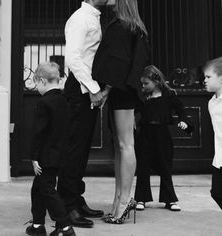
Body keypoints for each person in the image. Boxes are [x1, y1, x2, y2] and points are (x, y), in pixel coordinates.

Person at [92, 0, 151, 224]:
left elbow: (117, 61)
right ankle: (119, 199)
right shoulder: (132, 26)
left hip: (122, 90)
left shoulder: (123, 26)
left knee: (125, 145)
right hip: (124, 90)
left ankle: (125, 201)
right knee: (121, 145)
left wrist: (105, 89)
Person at [57, 0, 108, 228]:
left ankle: (76, 199)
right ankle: (67, 208)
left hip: (86, 91)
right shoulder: (80, 18)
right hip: (80, 92)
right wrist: (94, 89)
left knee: (82, 150)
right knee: (74, 151)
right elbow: (73, 59)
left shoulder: (93, 16)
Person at [134, 65, 194, 212]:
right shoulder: (142, 97)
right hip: (145, 134)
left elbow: (181, 110)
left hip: (162, 134)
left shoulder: (168, 95)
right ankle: (141, 198)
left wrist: (185, 121)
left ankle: (170, 200)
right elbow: (133, 112)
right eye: (142, 83)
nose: (143, 86)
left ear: (156, 81)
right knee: (143, 166)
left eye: (146, 83)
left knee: (165, 166)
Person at [25, 62, 76, 236]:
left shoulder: (44, 103)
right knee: (38, 188)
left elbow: (39, 133)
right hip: (60, 154)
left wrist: (34, 157)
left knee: (47, 190)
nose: (37, 87)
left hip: (45, 157)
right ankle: (38, 225)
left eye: (36, 83)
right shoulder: (64, 101)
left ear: (42, 80)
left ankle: (65, 226)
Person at [204, 57, 222, 209]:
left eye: (209, 77)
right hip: (219, 159)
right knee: (216, 192)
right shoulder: (212, 102)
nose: (205, 80)